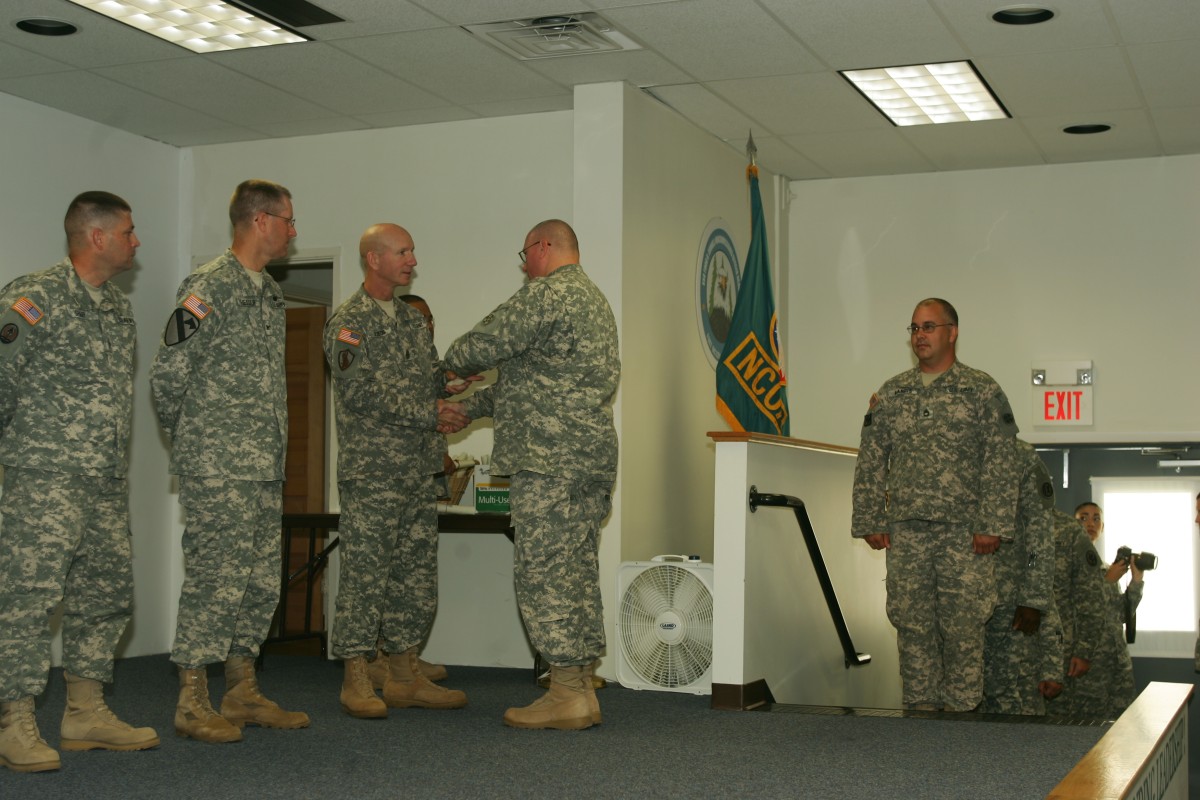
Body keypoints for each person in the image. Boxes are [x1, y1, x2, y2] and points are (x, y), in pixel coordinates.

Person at [0, 192, 158, 772]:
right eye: (129, 231)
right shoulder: (33, 298)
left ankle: (85, 712)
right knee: (26, 600)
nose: (136, 242)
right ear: (97, 236)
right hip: (43, 480)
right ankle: (13, 720)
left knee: (106, 593)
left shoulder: (118, 308)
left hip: (104, 481)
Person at [443, 219, 619, 730]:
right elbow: (527, 385)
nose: (524, 267)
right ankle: (580, 684)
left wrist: (452, 369)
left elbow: (478, 345)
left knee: (544, 573)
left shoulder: (548, 294)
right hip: (587, 458)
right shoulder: (595, 303)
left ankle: (565, 691)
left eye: (525, 255)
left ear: (544, 247)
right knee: (576, 570)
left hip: (549, 460)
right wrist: (471, 406)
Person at [150, 179, 308, 743]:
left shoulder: (269, 291)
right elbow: (168, 374)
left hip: (264, 467)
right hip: (218, 466)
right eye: (288, 219)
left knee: (259, 581)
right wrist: (195, 443)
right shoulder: (209, 285)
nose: (294, 230)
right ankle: (192, 700)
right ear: (260, 220)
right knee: (216, 579)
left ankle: (241, 691)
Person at [324, 224, 470, 718]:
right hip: (374, 472)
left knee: (415, 575)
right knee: (366, 575)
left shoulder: (410, 319)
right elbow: (360, 393)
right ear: (373, 259)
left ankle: (405, 676)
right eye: (402, 252)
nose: (412, 260)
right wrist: (430, 411)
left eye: (412, 251)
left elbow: (426, 380)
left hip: (417, 469)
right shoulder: (349, 322)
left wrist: (449, 383)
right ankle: (356, 677)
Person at [851, 297, 1019, 712]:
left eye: (929, 327)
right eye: (914, 328)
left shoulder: (981, 390)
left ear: (952, 332)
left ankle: (962, 719)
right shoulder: (892, 393)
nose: (920, 336)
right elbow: (872, 457)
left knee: (964, 625)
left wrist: (993, 523)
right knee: (912, 624)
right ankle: (920, 715)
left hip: (965, 534)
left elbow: (1001, 458)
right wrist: (871, 518)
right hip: (907, 533)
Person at [981, 440, 1059, 715]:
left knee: (1005, 690)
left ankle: (1010, 756)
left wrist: (1033, 599)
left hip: (1009, 597)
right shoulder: (949, 448)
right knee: (964, 692)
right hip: (961, 594)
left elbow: (1040, 533)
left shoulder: (1020, 455)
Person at [1068, 501, 1143, 717]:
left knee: (1123, 724)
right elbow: (1073, 608)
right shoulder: (1068, 562)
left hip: (1116, 657)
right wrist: (1107, 581)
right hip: (1090, 659)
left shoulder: (1103, 566)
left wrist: (1136, 582)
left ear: (1103, 527)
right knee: (1090, 726)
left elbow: (1119, 613)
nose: (1090, 523)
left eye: (1096, 518)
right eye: (1083, 518)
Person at [1043, 510, 1108, 718]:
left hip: (1057, 648)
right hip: (1005, 650)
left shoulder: (1069, 531)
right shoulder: (996, 520)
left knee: (1055, 726)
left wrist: (1085, 649)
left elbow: (1092, 596)